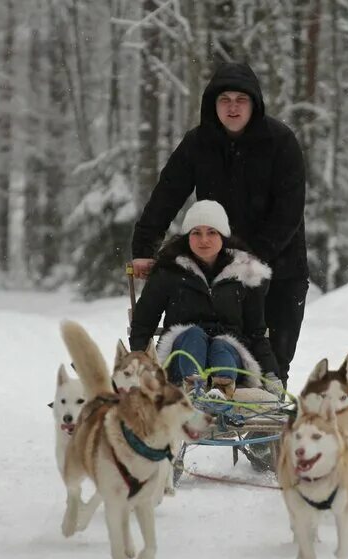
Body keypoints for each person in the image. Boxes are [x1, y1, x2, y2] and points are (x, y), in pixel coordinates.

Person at [131, 62, 309, 388]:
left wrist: (253, 258)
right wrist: (144, 248)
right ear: (212, 105)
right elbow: (166, 197)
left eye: (241, 99)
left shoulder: (281, 142)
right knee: (218, 340)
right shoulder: (198, 144)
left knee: (272, 356)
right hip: (218, 268)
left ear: (254, 104)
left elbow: (289, 212)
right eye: (224, 99)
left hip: (281, 267)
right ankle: (206, 397)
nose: (232, 107)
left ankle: (264, 423)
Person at [129, 200, 282, 399]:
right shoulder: (169, 272)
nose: (204, 240)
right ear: (187, 237)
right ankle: (194, 387)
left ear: (223, 236)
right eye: (196, 233)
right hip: (180, 355)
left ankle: (222, 388)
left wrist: (271, 373)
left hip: (229, 355)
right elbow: (142, 324)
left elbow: (256, 332)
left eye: (212, 232)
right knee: (193, 334)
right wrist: (142, 365)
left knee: (223, 345)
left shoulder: (243, 273)